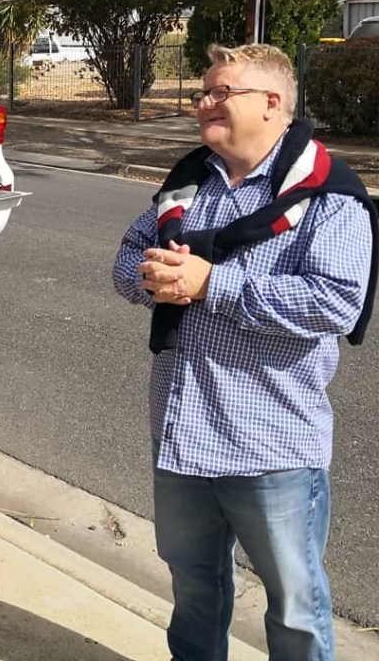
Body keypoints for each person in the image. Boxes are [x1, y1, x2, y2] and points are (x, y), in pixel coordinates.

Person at [113, 42, 377, 661]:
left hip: (272, 446)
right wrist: (156, 279)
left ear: (272, 102)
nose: (203, 102)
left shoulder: (329, 194)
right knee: (195, 593)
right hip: (182, 435)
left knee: (295, 608)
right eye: (202, 91)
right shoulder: (189, 180)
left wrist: (209, 284)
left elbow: (335, 301)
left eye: (218, 92)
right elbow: (128, 260)